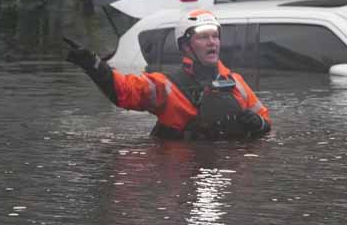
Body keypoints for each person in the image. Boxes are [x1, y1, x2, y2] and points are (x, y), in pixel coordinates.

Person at [65, 9, 271, 140]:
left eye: (215, 36)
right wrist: (92, 63)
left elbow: (265, 121)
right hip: (181, 178)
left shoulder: (236, 83)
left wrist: (260, 125)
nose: (212, 42)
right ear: (185, 45)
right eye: (203, 37)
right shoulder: (165, 87)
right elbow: (122, 90)